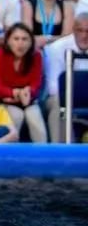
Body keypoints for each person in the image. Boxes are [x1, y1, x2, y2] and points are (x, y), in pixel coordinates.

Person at [0, 23, 46, 142]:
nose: (20, 43)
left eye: (25, 39)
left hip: (28, 99)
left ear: (31, 42)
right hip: (5, 100)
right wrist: (15, 93)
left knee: (35, 119)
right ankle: (10, 157)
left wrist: (28, 92)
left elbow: (36, 83)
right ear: (8, 41)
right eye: (16, 39)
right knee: (16, 116)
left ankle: (43, 157)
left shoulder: (36, 56)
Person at [43, 11, 88, 143]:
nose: (84, 36)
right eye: (80, 31)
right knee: (58, 103)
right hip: (63, 97)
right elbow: (53, 87)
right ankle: (60, 149)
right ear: (73, 30)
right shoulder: (56, 48)